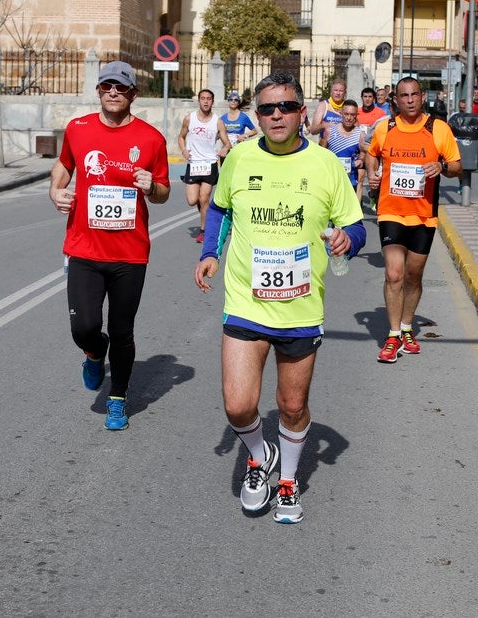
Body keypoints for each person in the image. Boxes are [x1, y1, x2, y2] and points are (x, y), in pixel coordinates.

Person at [193, 73, 365, 524]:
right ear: (257, 114)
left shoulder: (326, 165)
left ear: (301, 113)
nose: (275, 115)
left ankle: (287, 482)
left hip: (301, 307)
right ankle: (258, 455)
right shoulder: (240, 158)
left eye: (285, 107)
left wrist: (349, 240)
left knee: (291, 406)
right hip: (246, 302)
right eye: (266, 108)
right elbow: (220, 208)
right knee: (238, 405)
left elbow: (357, 224)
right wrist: (210, 251)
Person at [48, 60, 171, 430]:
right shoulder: (78, 129)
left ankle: (118, 397)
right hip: (84, 247)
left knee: (122, 330)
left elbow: (163, 193)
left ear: (133, 93)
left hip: (129, 253)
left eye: (121, 87)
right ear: (99, 91)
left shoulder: (151, 139)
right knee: (83, 327)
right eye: (106, 87)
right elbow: (63, 165)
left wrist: (152, 186)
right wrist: (55, 190)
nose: (113, 92)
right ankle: (92, 351)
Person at [366, 77, 461, 362]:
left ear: (422, 97)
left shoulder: (437, 128)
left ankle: (407, 326)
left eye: (414, 95)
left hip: (423, 214)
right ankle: (393, 334)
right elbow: (372, 154)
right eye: (403, 95)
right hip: (391, 210)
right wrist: (373, 173)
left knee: (413, 275)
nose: (409, 100)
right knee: (394, 273)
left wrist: (441, 166)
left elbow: (457, 167)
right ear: (395, 99)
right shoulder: (386, 127)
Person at [178, 89, 231, 243]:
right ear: (199, 101)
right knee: (192, 200)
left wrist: (224, 149)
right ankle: (206, 211)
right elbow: (181, 137)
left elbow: (226, 142)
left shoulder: (217, 121)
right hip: (194, 164)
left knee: (204, 197)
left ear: (212, 101)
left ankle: (203, 231)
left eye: (209, 99)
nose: (206, 101)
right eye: (203, 98)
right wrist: (183, 150)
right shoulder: (190, 119)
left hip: (209, 163)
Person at [321, 98, 364, 200]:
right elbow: (322, 153)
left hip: (351, 183)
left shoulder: (360, 134)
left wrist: (361, 160)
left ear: (356, 116)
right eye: (346, 114)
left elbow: (363, 153)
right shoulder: (329, 131)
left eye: (352, 115)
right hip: (332, 181)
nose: (349, 118)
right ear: (341, 114)